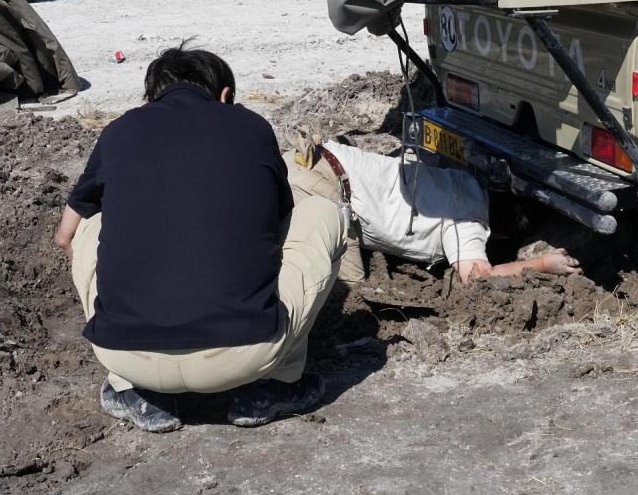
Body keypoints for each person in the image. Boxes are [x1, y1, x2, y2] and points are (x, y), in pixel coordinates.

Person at [54, 45, 345, 433]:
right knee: (322, 212)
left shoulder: (118, 130)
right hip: (244, 356)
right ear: (225, 96)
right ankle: (276, 384)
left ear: (148, 99)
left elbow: (65, 235)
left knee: (90, 221)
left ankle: (132, 390)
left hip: (123, 354)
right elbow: (279, 222)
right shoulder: (251, 127)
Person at [283, 131, 580, 283]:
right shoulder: (469, 221)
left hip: (309, 156)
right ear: (502, 232)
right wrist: (543, 264)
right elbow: (478, 279)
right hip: (321, 190)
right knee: (349, 293)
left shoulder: (461, 177)